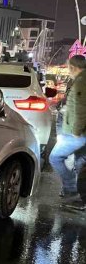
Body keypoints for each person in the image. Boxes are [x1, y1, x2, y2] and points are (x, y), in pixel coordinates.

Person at [49, 55, 86, 210]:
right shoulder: (81, 80)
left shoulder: (81, 82)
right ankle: (79, 198)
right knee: (80, 162)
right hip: (79, 131)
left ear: (73, 67)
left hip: (77, 133)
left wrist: (77, 131)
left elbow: (81, 108)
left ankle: (71, 191)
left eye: (68, 67)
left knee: (55, 158)